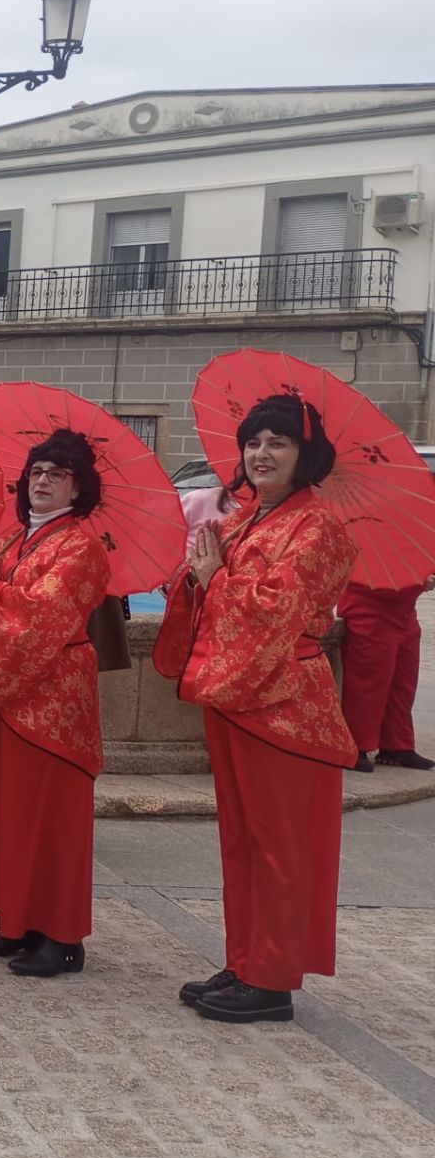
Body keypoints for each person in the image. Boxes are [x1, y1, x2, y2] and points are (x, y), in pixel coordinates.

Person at [155, 392, 357, 1023]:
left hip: (287, 702)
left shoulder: (317, 525)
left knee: (279, 844)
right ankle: (245, 959)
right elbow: (210, 592)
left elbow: (281, 610)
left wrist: (215, 579)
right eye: (253, 442)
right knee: (242, 839)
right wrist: (193, 577)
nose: (262, 453)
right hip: (242, 697)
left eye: (278, 442)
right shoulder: (245, 519)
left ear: (306, 454)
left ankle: (270, 978)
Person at [0, 430, 111, 976]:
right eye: (36, 473)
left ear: (79, 486)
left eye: (56, 473)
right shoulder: (12, 541)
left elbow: (45, 617)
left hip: (53, 697)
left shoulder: (82, 546)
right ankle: (17, 920)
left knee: (52, 816)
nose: (42, 482)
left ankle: (62, 935)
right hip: (7, 691)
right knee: (9, 811)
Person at [339, 580, 435, 773]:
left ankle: (396, 746)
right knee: (367, 686)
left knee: (403, 685)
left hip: (404, 612)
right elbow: (371, 578)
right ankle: (355, 745)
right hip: (370, 610)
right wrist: (419, 583)